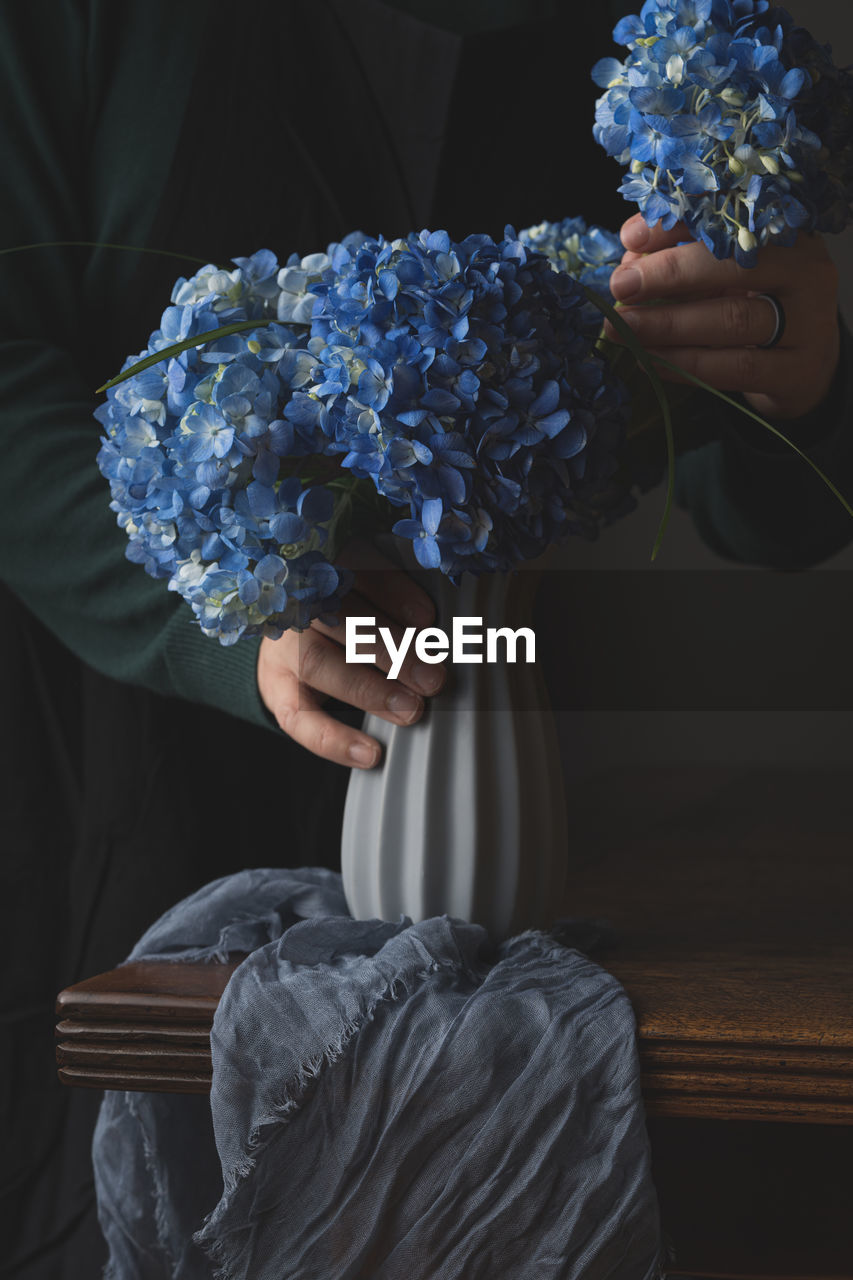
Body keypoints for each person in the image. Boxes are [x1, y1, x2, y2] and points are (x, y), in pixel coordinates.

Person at [1, 1, 850, 1275]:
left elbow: (759, 503)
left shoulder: (656, 38)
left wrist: (801, 364)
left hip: (517, 745)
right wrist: (233, 610)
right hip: (119, 769)